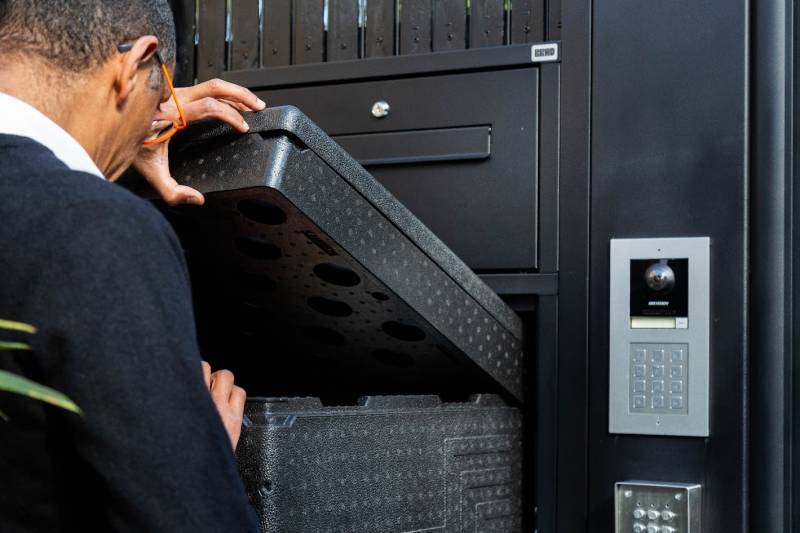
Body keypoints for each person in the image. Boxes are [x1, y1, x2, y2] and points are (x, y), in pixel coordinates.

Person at [0, 1, 265, 531]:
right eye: (161, 93)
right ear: (137, 61)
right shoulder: (96, 229)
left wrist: (125, 118)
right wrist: (197, 453)